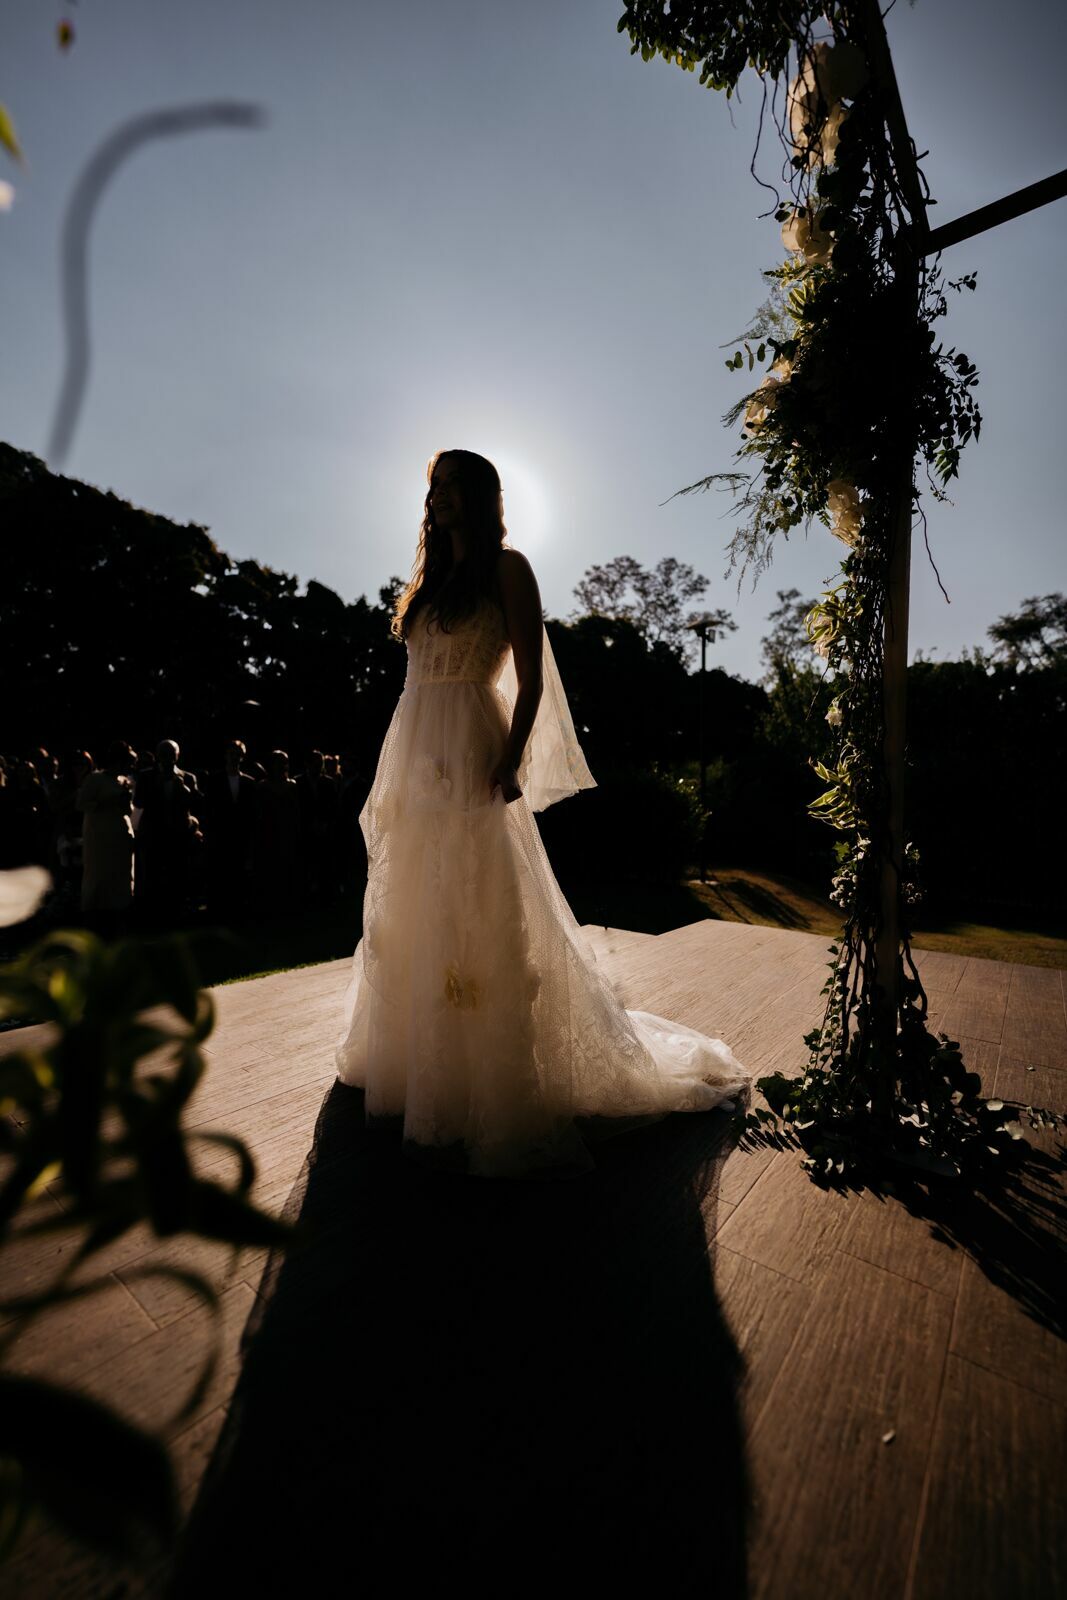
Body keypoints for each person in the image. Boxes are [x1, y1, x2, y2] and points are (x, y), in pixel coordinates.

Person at [334, 449, 748, 1180]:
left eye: (454, 485)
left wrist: (512, 755)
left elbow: (530, 677)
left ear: (482, 494)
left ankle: (482, 1077)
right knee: (413, 902)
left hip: (470, 744)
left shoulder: (507, 568)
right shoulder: (427, 586)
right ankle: (410, 1065)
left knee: (474, 903)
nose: (441, 498)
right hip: (414, 753)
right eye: (435, 487)